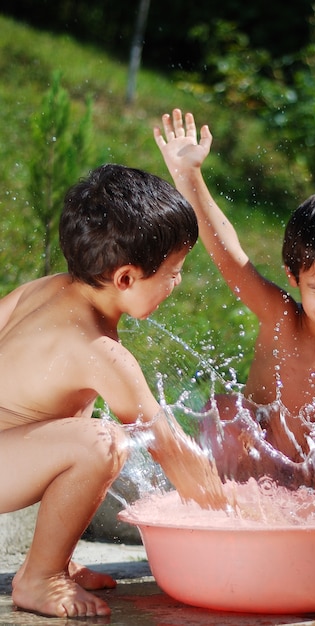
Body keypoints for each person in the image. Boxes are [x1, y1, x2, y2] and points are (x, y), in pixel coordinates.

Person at [0, 163, 228, 619]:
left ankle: (55, 558)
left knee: (70, 423)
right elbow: (169, 448)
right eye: (173, 271)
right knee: (103, 443)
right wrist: (232, 515)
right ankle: (40, 577)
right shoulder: (101, 353)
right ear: (125, 278)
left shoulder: (39, 291)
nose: (177, 283)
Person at [154, 109, 315, 496]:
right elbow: (229, 256)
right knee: (228, 409)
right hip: (254, 474)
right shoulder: (281, 315)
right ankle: (223, 503)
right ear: (293, 276)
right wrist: (190, 177)